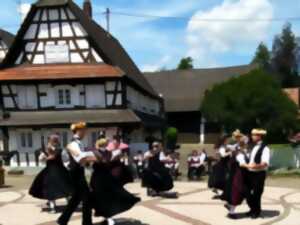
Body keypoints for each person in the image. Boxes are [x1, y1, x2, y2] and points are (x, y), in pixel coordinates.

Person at [91, 138, 140, 225]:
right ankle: (106, 217)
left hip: (106, 177)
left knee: (111, 196)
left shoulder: (108, 152)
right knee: (100, 198)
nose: (106, 144)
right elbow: (102, 161)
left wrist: (115, 157)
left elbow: (107, 163)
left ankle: (108, 217)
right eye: (105, 143)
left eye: (106, 143)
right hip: (98, 178)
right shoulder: (95, 152)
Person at [57, 122, 98, 225]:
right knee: (87, 198)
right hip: (75, 174)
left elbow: (83, 160)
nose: (85, 132)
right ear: (79, 131)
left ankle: (62, 220)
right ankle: (87, 223)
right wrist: (95, 157)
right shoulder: (73, 144)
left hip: (78, 172)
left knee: (76, 198)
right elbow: (80, 158)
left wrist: (90, 163)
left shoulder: (78, 143)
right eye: (84, 130)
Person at [29, 134, 73, 214]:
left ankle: (54, 208)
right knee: (64, 188)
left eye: (55, 140)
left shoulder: (52, 151)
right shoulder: (59, 150)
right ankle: (61, 206)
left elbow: (41, 160)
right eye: (55, 140)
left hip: (52, 171)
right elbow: (66, 159)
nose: (55, 142)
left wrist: (45, 157)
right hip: (59, 171)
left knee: (56, 189)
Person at [245, 129, 270, 219]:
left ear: (259, 136)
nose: (252, 136)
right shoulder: (254, 147)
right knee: (246, 192)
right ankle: (253, 208)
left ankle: (256, 211)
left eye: (254, 135)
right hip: (250, 173)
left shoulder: (265, 148)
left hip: (259, 174)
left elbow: (265, 163)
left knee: (257, 193)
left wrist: (256, 166)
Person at [224, 135, 250, 219]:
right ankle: (231, 212)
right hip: (239, 175)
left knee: (240, 192)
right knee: (237, 192)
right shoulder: (239, 153)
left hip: (240, 174)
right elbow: (242, 163)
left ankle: (230, 205)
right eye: (246, 143)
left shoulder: (242, 151)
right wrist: (252, 166)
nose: (247, 144)